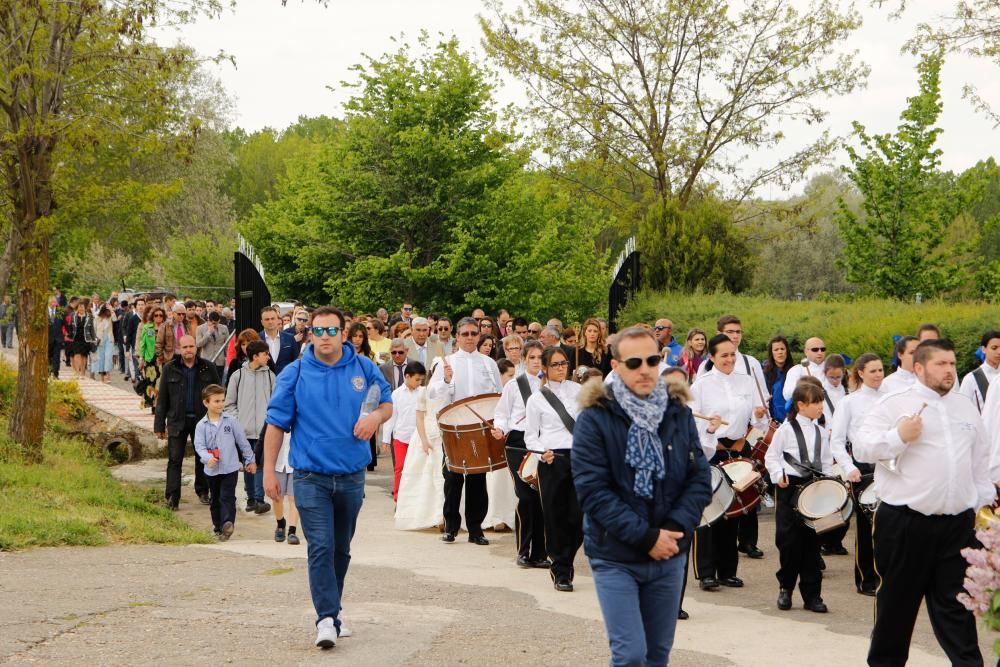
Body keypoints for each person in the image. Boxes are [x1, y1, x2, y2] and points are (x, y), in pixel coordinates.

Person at [573, 326, 712, 665]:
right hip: (616, 555)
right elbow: (593, 491)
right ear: (616, 365)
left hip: (669, 552)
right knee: (631, 655)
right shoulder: (595, 418)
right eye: (634, 362)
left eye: (652, 360)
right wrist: (646, 536)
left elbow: (699, 478)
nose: (645, 369)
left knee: (657, 656)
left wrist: (673, 530)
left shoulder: (678, 412)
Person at [855, 339, 991, 667]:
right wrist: (898, 436)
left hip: (957, 526)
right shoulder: (893, 403)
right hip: (905, 523)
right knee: (896, 609)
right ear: (919, 368)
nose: (949, 370)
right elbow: (862, 448)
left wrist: (983, 506)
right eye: (941, 364)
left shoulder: (965, 407)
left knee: (957, 609)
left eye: (952, 363)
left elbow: (979, 462)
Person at [263, 306, 392, 649]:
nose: (324, 337)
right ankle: (324, 618)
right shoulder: (296, 372)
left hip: (350, 476)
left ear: (344, 334)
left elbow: (387, 402)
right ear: (309, 335)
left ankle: (333, 612)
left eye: (331, 331)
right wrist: (268, 472)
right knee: (320, 545)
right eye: (318, 331)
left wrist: (375, 418)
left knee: (341, 548)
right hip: (310, 476)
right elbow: (276, 424)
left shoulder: (364, 368)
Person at [689, 333, 769, 588]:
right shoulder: (701, 385)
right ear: (711, 357)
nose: (729, 359)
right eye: (723, 355)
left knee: (733, 511)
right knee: (710, 511)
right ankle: (706, 572)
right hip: (712, 450)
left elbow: (759, 421)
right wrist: (711, 432)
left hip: (739, 450)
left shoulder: (746, 381)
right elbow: (691, 422)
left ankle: (727, 570)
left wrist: (758, 416)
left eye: (732, 354)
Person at [428, 316, 503, 546]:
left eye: (473, 333)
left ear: (479, 336)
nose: (470, 338)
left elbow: (498, 396)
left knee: (477, 480)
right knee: (452, 478)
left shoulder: (489, 364)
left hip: (479, 430)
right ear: (457, 337)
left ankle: (475, 529)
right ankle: (451, 526)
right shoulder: (445, 362)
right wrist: (447, 381)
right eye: (465, 334)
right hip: (454, 428)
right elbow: (432, 394)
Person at [764, 379, 833, 613]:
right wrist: (778, 474)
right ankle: (785, 588)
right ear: (801, 405)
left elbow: (825, 462)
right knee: (789, 542)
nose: (821, 406)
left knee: (812, 544)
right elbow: (771, 457)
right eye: (816, 403)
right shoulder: (785, 430)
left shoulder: (821, 432)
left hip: (814, 487)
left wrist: (829, 483)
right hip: (790, 486)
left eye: (822, 402)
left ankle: (813, 595)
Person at [524, 345, 583, 591]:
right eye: (556, 365)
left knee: (578, 517)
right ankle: (561, 570)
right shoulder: (537, 398)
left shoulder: (580, 391)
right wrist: (542, 452)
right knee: (555, 516)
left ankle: (566, 559)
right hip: (552, 460)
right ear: (545, 369)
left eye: (564, 363)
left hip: (580, 459)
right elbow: (530, 436)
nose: (561, 369)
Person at [829, 352, 884, 596]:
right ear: (860, 373)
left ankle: (889, 576)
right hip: (861, 470)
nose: (878, 375)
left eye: (881, 370)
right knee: (866, 526)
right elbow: (837, 441)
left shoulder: (890, 399)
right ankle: (866, 579)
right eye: (872, 371)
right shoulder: (849, 402)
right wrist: (849, 468)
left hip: (887, 467)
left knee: (889, 524)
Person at [493, 340, 547, 567]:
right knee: (525, 497)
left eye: (539, 357)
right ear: (525, 359)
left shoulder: (551, 386)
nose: (536, 361)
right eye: (532, 357)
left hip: (544, 443)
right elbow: (502, 413)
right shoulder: (514, 385)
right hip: (518, 442)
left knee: (541, 498)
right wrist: (500, 429)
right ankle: (523, 551)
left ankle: (540, 553)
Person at [154, 335, 221, 509]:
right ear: (179, 348)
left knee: (203, 458)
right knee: (175, 459)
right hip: (177, 420)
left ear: (196, 347)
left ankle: (203, 491)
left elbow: (218, 396)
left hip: (202, 422)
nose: (188, 350)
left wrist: (218, 422)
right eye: (185, 347)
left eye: (191, 346)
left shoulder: (208, 367)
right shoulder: (170, 368)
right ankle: (172, 497)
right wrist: (159, 425)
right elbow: (162, 399)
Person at [193, 384, 256, 541]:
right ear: (206, 403)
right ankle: (218, 527)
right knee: (215, 498)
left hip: (230, 467)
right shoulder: (201, 426)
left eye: (222, 400)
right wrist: (208, 459)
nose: (221, 404)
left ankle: (228, 523)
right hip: (211, 470)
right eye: (216, 401)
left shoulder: (231, 421)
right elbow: (199, 447)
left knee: (227, 496)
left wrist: (250, 460)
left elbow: (243, 443)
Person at [394, 358, 448, 531]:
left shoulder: (448, 390)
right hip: (425, 435)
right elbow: (419, 417)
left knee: (442, 477)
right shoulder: (424, 392)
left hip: (443, 436)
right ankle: (427, 514)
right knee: (423, 476)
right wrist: (424, 440)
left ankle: (442, 515)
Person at [224, 340, 274, 515]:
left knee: (260, 463)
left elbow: (275, 402)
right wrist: (238, 421)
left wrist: (269, 421)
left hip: (264, 429)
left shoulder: (270, 376)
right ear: (255, 356)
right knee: (248, 464)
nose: (268, 357)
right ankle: (251, 497)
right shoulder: (237, 376)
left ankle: (259, 500)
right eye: (265, 354)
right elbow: (229, 403)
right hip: (243, 430)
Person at [381, 361, 426, 502]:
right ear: (407, 376)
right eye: (417, 379)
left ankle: (415, 500)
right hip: (401, 438)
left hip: (418, 438)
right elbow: (391, 417)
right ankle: (398, 498)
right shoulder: (396, 394)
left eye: (421, 380)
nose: (419, 383)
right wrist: (386, 439)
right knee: (400, 468)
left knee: (417, 469)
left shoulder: (423, 393)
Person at [959, 330, 1000, 412]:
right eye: (994, 348)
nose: (999, 352)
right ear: (983, 349)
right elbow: (962, 409)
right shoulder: (971, 379)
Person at [273, 431, 301, 545]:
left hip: (296, 464)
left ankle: (292, 531)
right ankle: (280, 523)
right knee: (277, 497)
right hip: (278, 463)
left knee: (293, 498)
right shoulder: (274, 419)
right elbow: (263, 439)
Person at [781, 336, 827, 403]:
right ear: (806, 351)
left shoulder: (831, 368)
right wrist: (805, 386)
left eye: (822, 349)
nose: (819, 352)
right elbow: (787, 395)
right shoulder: (796, 370)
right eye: (815, 349)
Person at [260, 306, 301, 375]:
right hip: (263, 381)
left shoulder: (290, 338)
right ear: (262, 322)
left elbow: (295, 362)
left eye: (273, 318)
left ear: (277, 320)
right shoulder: (257, 339)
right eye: (267, 319)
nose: (270, 322)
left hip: (286, 381)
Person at [763, 336, 794, 422]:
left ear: (787, 351)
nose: (780, 352)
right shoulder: (764, 374)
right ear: (771, 353)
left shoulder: (795, 371)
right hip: (772, 422)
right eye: (776, 350)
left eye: (782, 349)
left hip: (793, 421)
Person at [65, 301, 96, 379]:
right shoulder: (73, 315)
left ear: (85, 308)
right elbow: (70, 327)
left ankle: (82, 373)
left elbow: (91, 329)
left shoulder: (89, 316)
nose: (81, 309)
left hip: (86, 338)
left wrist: (94, 339)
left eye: (82, 307)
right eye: (79, 307)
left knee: (84, 356)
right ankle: (77, 372)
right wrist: (68, 335)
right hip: (76, 338)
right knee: (76, 354)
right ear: (77, 308)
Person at [197, 311, 230, 379]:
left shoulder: (224, 328)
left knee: (218, 381)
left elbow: (227, 344)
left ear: (219, 320)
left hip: (220, 361)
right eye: (212, 323)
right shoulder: (200, 328)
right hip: (206, 360)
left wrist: (227, 358)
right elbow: (198, 344)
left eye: (216, 323)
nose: (214, 325)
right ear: (208, 320)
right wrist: (208, 333)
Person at [93, 305, 115, 382]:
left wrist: (112, 310)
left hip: (109, 339)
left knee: (108, 356)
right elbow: (94, 330)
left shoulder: (110, 317)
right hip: (100, 339)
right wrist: (95, 339)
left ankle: (107, 375)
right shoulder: (97, 318)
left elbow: (115, 319)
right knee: (101, 358)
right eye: (107, 311)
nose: (108, 312)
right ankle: (102, 377)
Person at [46, 297, 65, 378]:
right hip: (47, 338)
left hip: (58, 338)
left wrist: (68, 333)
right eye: (53, 302)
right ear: (49, 303)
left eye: (55, 302)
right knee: (48, 356)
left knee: (56, 357)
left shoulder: (60, 312)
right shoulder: (45, 312)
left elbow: (64, 323)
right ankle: (48, 372)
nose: (54, 304)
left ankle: (56, 373)